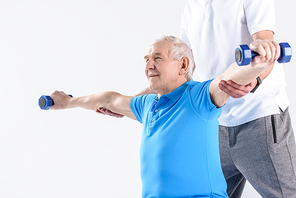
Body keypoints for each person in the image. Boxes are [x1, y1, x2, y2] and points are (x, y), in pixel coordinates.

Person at [50, 36, 281, 198]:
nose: (149, 65)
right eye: (147, 59)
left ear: (183, 65)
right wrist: (68, 102)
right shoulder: (149, 104)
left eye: (157, 58)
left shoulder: (197, 97)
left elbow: (229, 77)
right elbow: (109, 99)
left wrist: (256, 62)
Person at [179, 0, 296, 198]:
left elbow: (264, 41)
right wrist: (142, 97)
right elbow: (184, 65)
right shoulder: (192, 5)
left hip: (260, 121)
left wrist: (255, 77)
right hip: (216, 123)